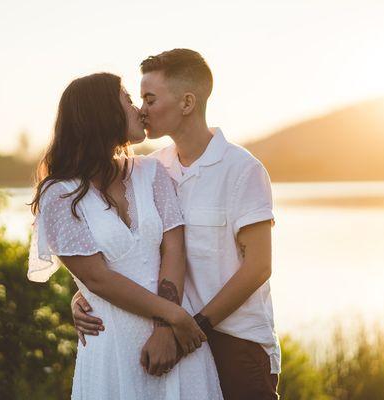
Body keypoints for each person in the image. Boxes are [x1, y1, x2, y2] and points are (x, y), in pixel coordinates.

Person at [72, 49, 281, 400]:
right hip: (168, 336)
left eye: (150, 99)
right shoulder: (149, 170)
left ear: (187, 102)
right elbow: (129, 252)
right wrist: (85, 294)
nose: (141, 109)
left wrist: (191, 327)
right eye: (139, 99)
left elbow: (258, 267)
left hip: (233, 339)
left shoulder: (242, 170)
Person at [27, 72, 222, 399]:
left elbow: (174, 250)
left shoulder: (152, 171)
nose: (138, 110)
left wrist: (166, 329)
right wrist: (174, 315)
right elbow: (98, 279)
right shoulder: (58, 195)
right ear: (102, 114)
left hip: (175, 340)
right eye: (128, 100)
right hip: (116, 346)